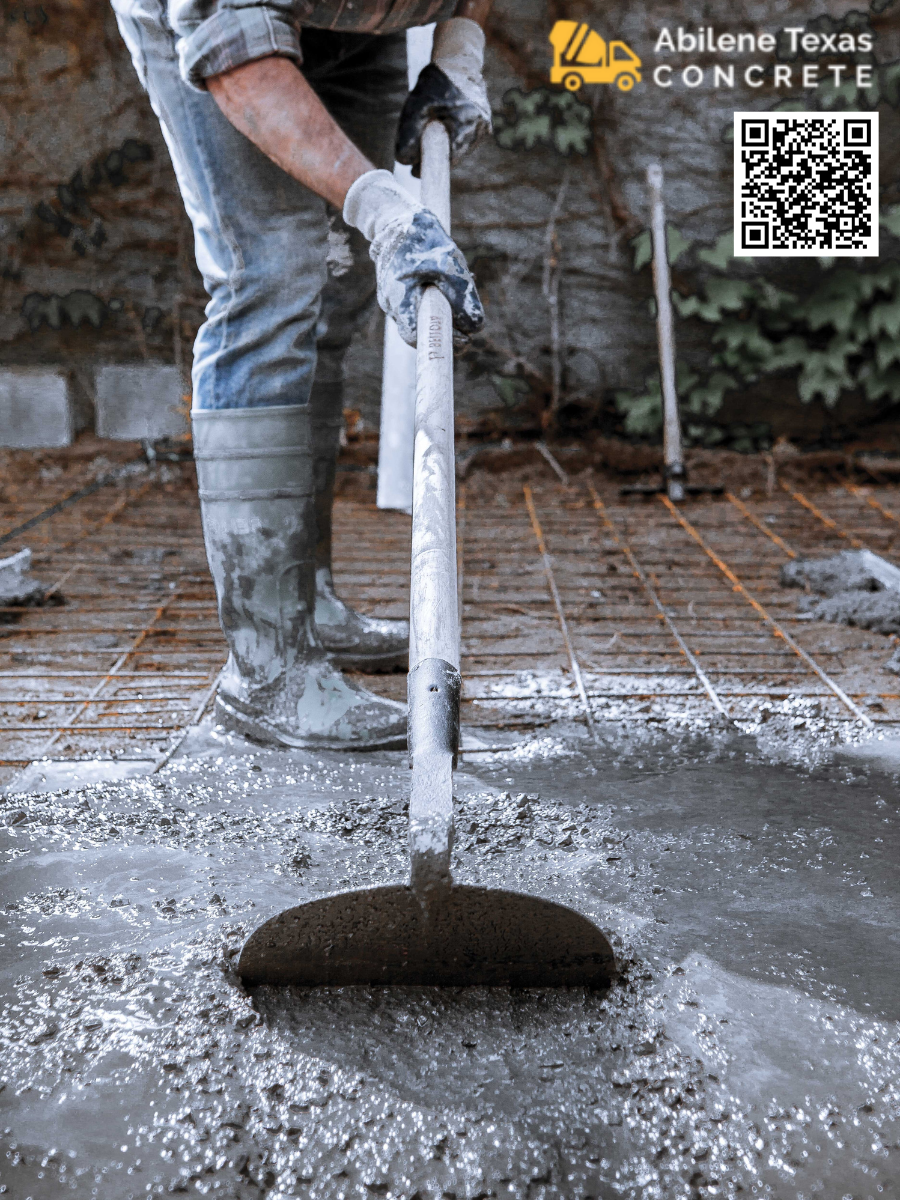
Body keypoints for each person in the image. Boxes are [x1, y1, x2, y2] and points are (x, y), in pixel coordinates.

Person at [111, 0, 493, 749]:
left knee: (336, 280)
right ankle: (267, 670)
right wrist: (381, 207)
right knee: (273, 272)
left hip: (347, 26)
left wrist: (459, 50)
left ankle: (305, 602)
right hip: (227, 28)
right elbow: (232, 46)